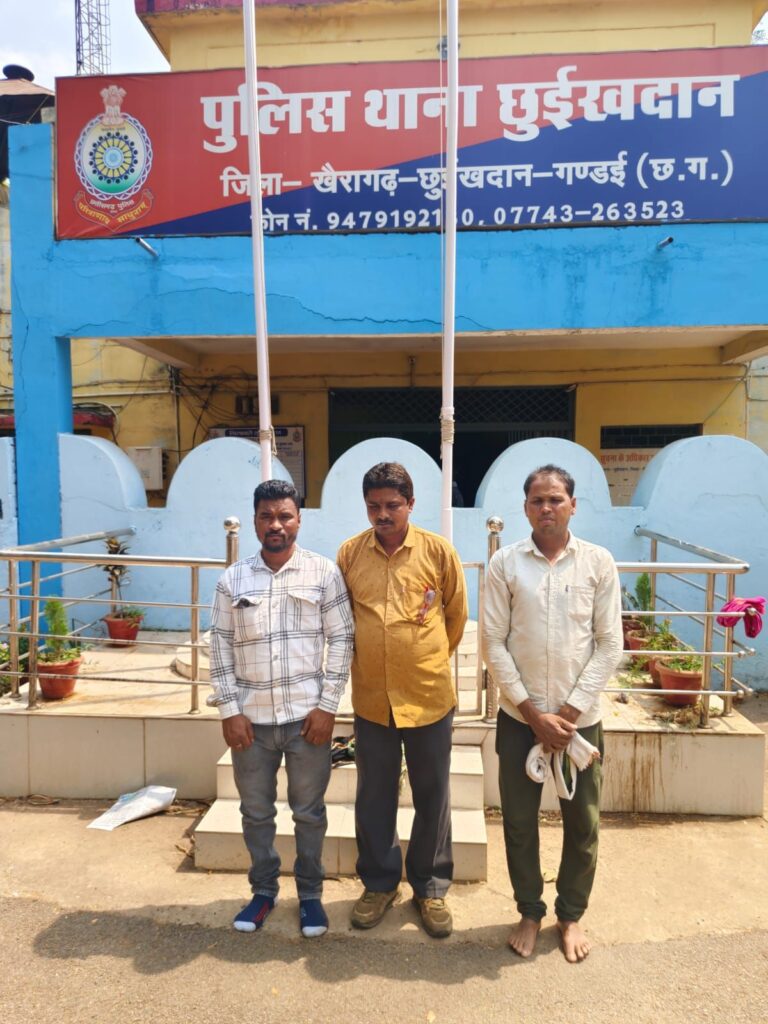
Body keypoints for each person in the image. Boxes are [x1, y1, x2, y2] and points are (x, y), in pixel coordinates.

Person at [482, 464, 622, 962]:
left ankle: (570, 915)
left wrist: (566, 713)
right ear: (525, 508)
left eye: (556, 499)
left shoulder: (598, 563)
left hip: (580, 725)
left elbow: (609, 644)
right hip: (520, 720)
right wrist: (533, 713)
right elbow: (493, 643)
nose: (547, 507)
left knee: (582, 824)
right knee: (519, 822)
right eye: (538, 500)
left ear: (573, 505)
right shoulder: (505, 564)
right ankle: (529, 911)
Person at [209, 479, 354, 938]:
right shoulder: (232, 580)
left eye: (284, 515)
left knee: (309, 813)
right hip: (251, 724)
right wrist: (229, 710)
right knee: (256, 813)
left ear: (298, 520)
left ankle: (310, 896)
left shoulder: (323, 573)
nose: (276, 524)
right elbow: (219, 646)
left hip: (307, 721)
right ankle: (264, 892)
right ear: (255, 521)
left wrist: (328, 707)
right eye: (266, 516)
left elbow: (342, 639)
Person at [337, 462, 468, 938]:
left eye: (393, 505)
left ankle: (430, 887)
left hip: (428, 694)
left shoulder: (438, 551)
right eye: (374, 506)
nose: (383, 514)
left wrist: (421, 658)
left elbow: (455, 616)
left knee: (433, 793)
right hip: (373, 700)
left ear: (411, 504)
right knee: (374, 794)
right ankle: (379, 883)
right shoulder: (350, 554)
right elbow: (342, 620)